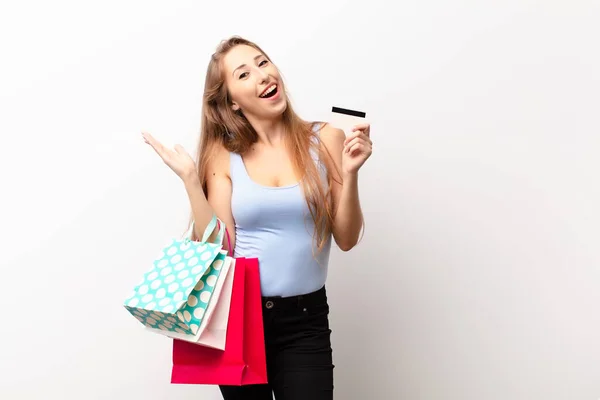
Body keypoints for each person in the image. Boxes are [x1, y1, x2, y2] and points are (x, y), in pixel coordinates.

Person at [141, 36, 373, 400]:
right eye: (244, 73)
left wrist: (352, 171)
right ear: (231, 100)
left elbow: (345, 238)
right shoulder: (223, 154)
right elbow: (220, 247)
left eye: (263, 63)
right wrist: (190, 180)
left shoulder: (325, 138)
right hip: (240, 320)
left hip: (305, 320)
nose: (262, 75)